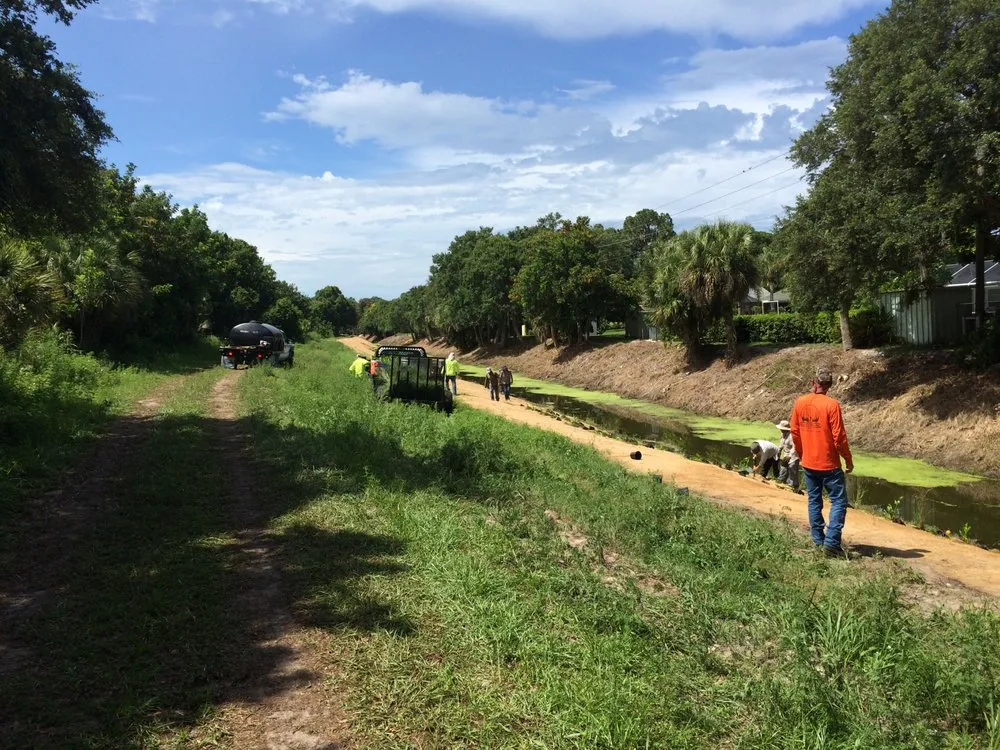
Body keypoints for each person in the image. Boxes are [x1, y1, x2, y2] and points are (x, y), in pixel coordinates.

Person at [791, 366, 854, 557]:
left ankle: (818, 540)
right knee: (838, 502)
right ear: (829, 385)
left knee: (814, 500)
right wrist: (848, 460)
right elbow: (839, 437)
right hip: (829, 464)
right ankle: (832, 543)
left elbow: (794, 432)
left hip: (809, 462)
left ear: (813, 382)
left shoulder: (799, 403)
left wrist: (803, 454)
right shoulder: (832, 405)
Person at [775, 419, 801, 492]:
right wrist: (779, 451)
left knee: (792, 468)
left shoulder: (792, 435)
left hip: (794, 454)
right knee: (783, 466)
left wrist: (790, 455)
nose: (781, 430)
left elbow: (795, 446)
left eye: (782, 429)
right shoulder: (782, 434)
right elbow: (781, 443)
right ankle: (781, 480)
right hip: (786, 453)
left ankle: (793, 485)